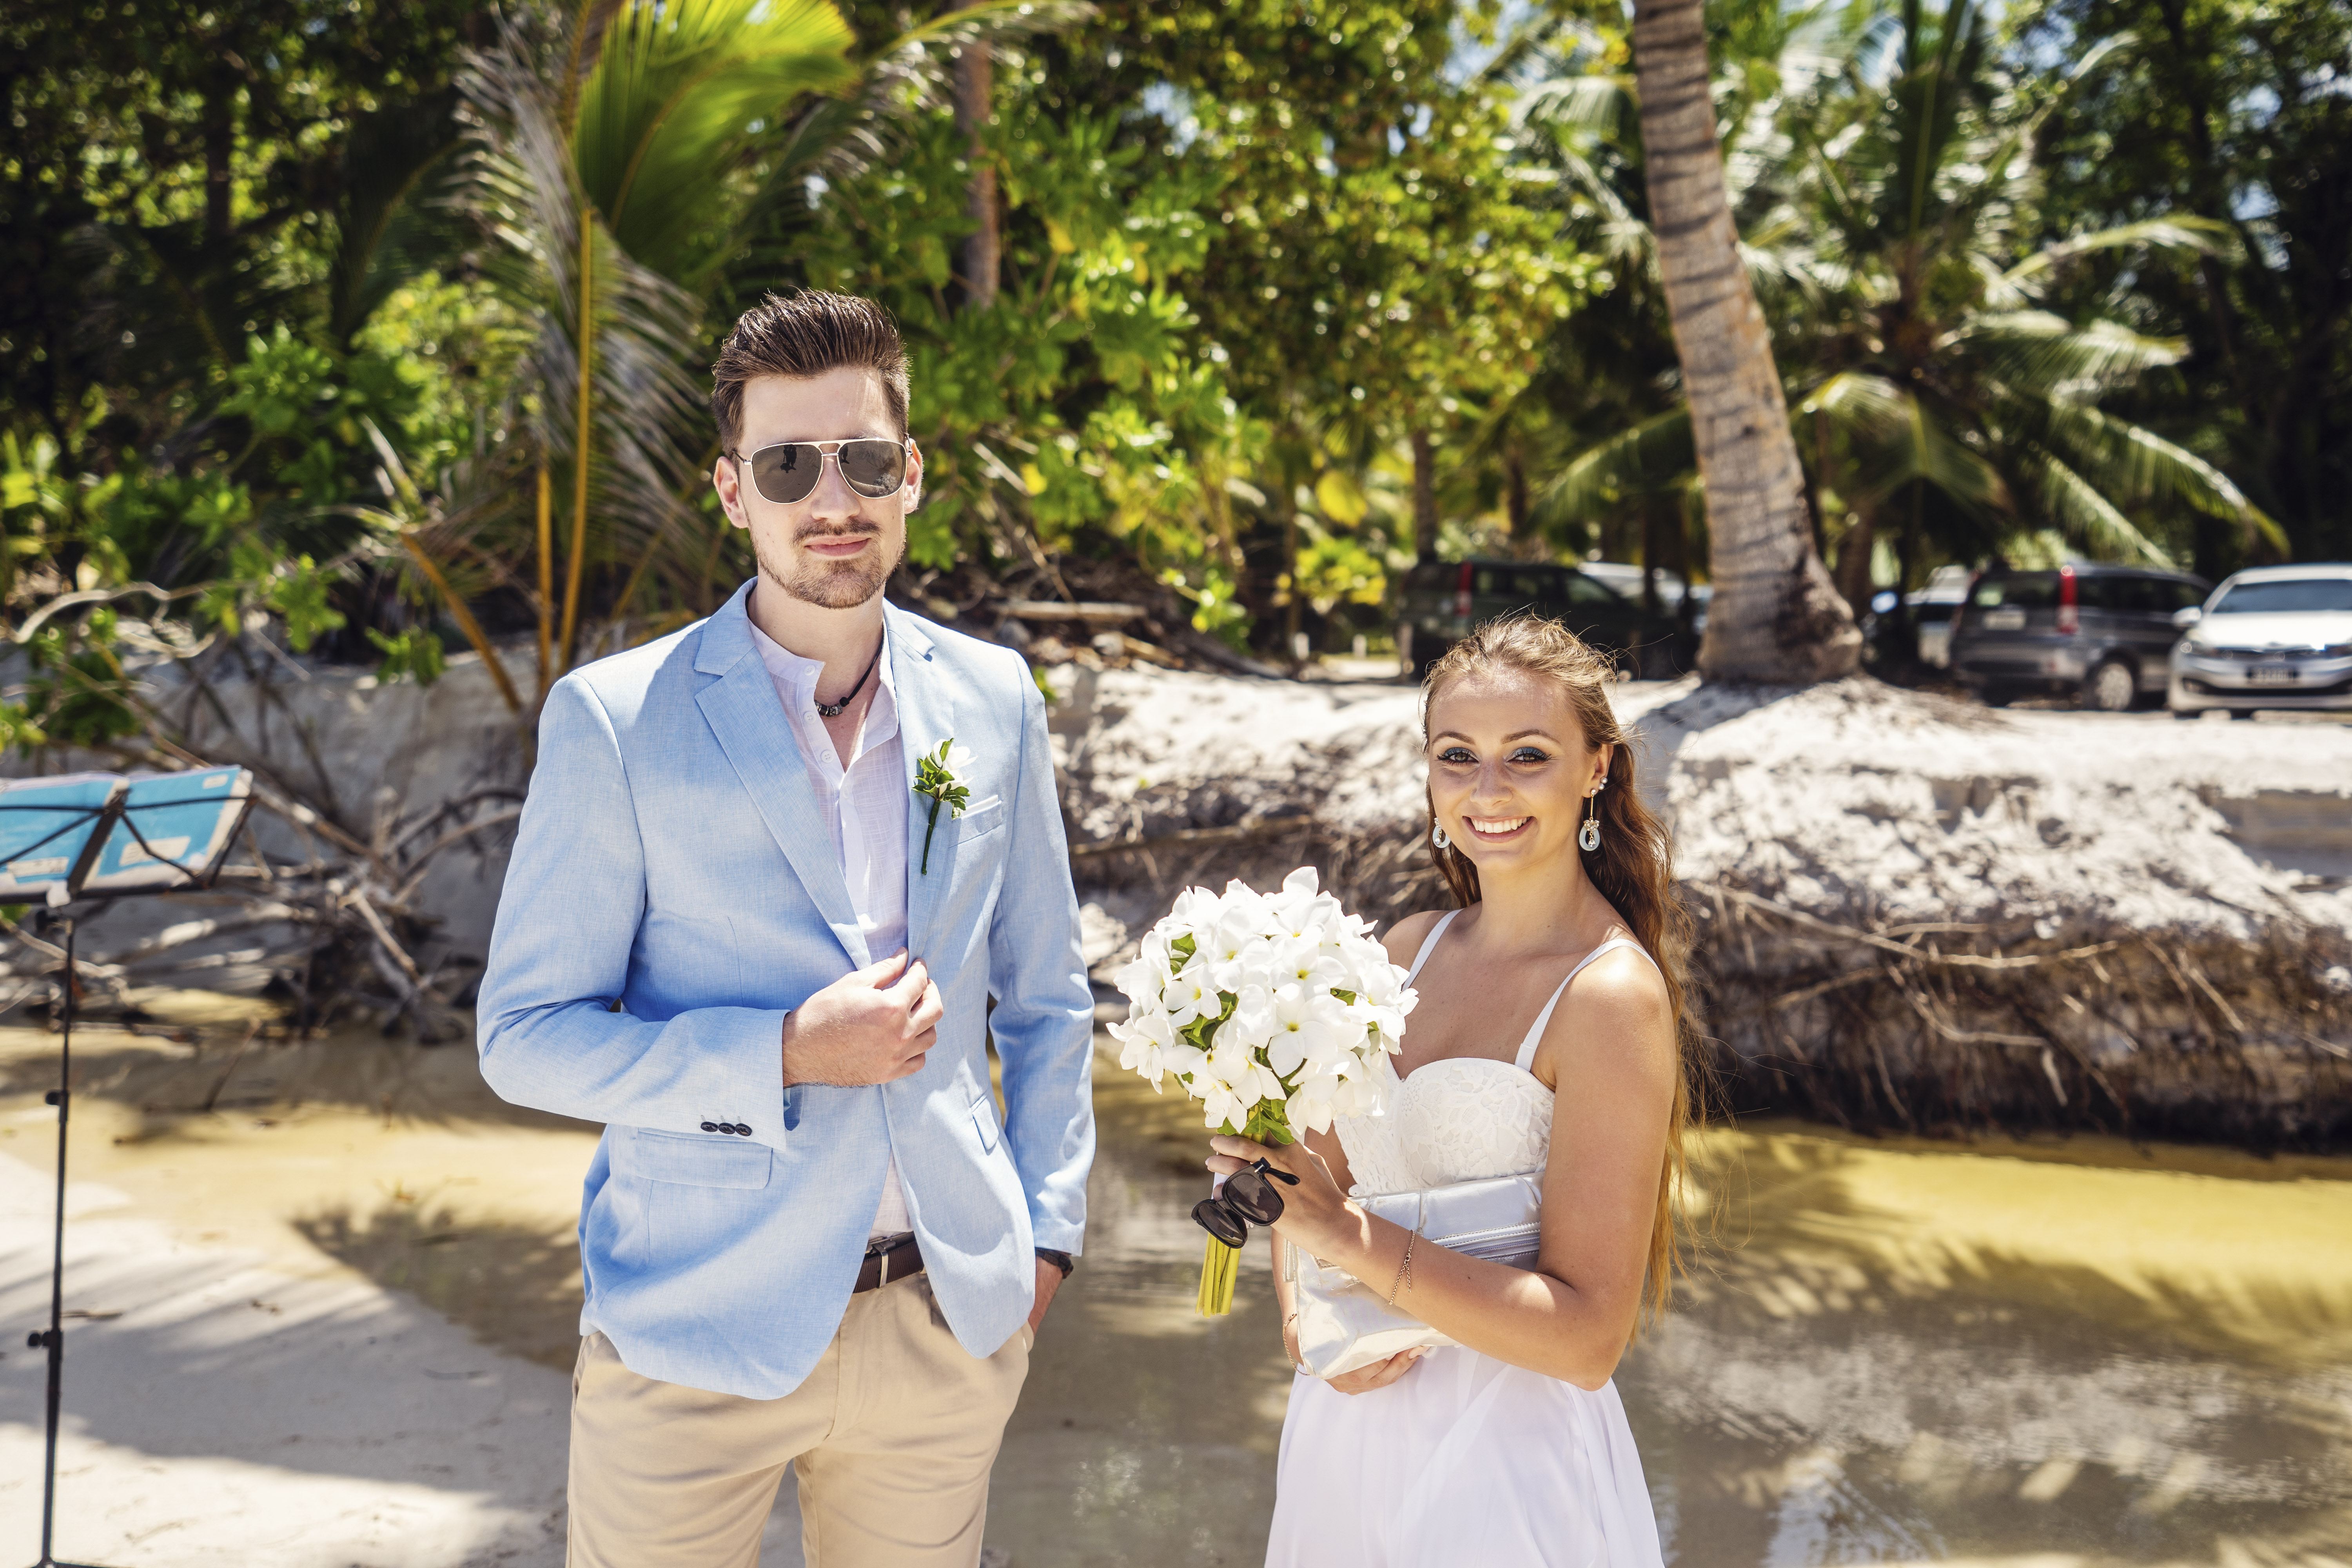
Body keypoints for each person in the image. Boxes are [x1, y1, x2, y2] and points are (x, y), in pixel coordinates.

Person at [475, 290, 1096, 1568]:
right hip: (692, 1326)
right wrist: (783, 1054)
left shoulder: (996, 697)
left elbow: (1048, 999)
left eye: (865, 459)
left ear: (911, 474)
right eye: (787, 466)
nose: (832, 498)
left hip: (944, 1325)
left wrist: (1045, 1240)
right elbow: (524, 1038)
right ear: (731, 490)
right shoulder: (613, 719)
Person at [1209, 615, 1690, 1567]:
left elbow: (1590, 1338)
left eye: (1528, 755)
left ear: (1596, 767)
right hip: (1345, 1435)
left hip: (1507, 1463)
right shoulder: (1403, 951)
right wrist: (1304, 1325)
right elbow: (1314, 1186)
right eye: (1457, 754)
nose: (1487, 789)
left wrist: (1349, 1238)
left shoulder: (1610, 997)